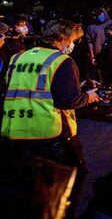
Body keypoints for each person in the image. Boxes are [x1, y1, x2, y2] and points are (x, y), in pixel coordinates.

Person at [1, 19, 101, 217]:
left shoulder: (17, 58)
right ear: (63, 37)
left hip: (13, 132)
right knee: (70, 180)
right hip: (50, 135)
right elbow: (68, 100)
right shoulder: (61, 61)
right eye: (73, 39)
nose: (73, 44)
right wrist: (88, 97)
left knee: (27, 188)